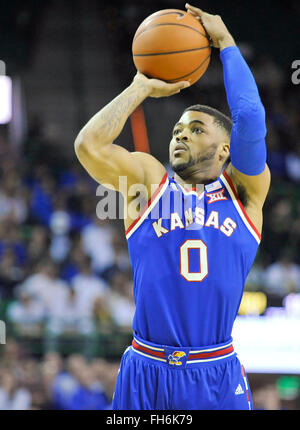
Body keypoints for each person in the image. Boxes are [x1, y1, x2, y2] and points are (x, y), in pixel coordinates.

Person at [74, 4, 270, 410]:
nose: (181, 135)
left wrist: (227, 43)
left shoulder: (245, 192)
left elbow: (250, 117)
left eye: (196, 130)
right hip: (146, 369)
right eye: (178, 129)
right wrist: (139, 88)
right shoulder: (148, 182)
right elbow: (88, 146)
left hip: (216, 370)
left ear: (225, 150)